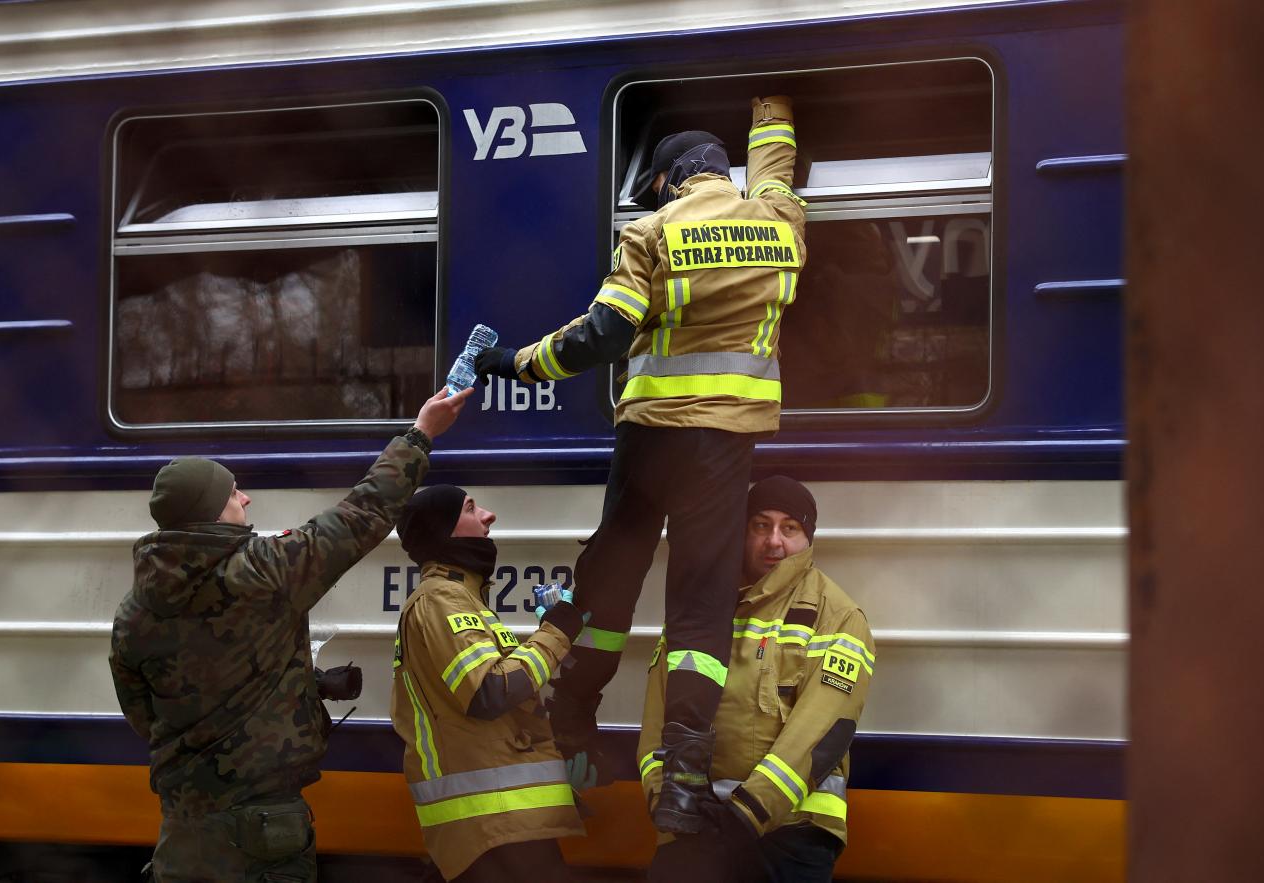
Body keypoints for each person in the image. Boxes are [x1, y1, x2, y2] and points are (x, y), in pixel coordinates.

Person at [474, 96, 808, 833]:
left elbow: (603, 334)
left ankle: (572, 717)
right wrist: (773, 108)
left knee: (611, 576)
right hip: (726, 443)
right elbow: (778, 168)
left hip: (653, 434)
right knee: (700, 605)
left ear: (670, 179)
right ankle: (685, 780)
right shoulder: (781, 221)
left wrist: (517, 363)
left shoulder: (653, 230)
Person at [109, 386, 473, 883]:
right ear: (212, 509)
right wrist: (421, 434)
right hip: (265, 826)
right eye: (234, 491)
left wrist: (294, 683)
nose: (245, 497)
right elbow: (360, 514)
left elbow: (143, 716)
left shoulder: (134, 612)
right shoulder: (262, 571)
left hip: (184, 828)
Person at [639, 476, 875, 883]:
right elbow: (657, 719)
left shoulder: (838, 617)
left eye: (790, 528)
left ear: (808, 537)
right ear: (742, 530)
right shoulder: (699, 613)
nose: (774, 542)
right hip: (694, 829)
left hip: (792, 834)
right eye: (761, 525)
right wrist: (669, 801)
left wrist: (748, 813)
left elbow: (821, 734)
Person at [390, 486, 586, 882]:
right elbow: (489, 691)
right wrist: (555, 633)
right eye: (470, 508)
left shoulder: (461, 597)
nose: (488, 515)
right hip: (493, 823)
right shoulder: (442, 599)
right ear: (444, 530)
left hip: (499, 822)